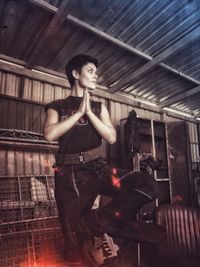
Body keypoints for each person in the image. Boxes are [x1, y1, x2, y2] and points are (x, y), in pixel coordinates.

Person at [43, 55, 164, 266]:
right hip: (70, 175)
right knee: (72, 247)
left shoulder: (99, 107)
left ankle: (93, 223)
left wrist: (89, 112)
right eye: (90, 71)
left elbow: (111, 136)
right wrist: (79, 113)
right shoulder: (57, 105)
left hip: (99, 168)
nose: (95, 76)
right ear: (75, 74)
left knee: (148, 185)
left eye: (96, 73)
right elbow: (50, 134)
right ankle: (101, 232)